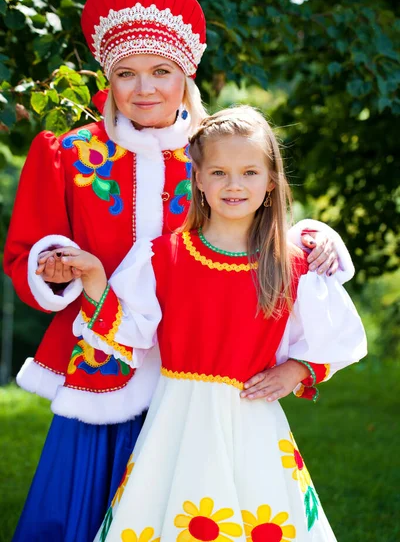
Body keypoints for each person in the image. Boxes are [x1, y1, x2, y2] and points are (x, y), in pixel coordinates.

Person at [4, 0, 345, 542]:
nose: (145, 89)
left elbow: (261, 216)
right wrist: (52, 265)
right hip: (104, 363)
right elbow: (25, 254)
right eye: (126, 73)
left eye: (161, 71)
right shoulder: (67, 154)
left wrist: (317, 235)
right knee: (81, 512)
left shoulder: (214, 152)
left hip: (204, 368)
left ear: (185, 77)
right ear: (107, 80)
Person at [59, 106, 367, 541]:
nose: (234, 184)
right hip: (178, 417)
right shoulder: (164, 255)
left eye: (249, 172)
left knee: (254, 513)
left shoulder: (292, 263)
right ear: (198, 179)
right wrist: (93, 278)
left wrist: (298, 369)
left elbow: (336, 338)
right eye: (219, 172)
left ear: (271, 180)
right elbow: (130, 328)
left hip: (252, 415)